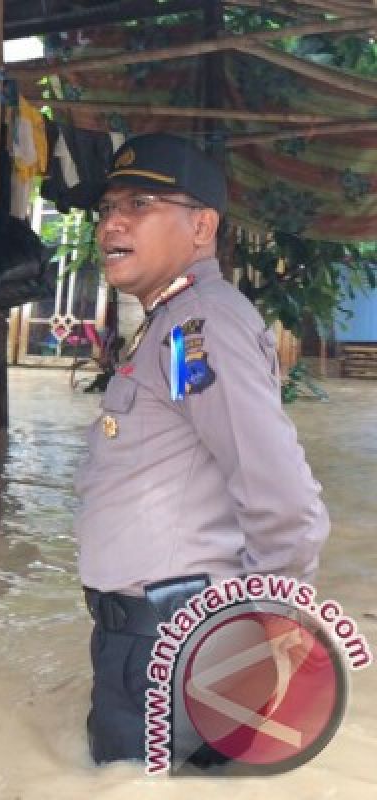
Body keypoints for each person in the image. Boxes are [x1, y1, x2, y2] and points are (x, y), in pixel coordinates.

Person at [74, 133, 329, 763]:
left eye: (139, 204)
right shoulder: (172, 326)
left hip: (169, 645)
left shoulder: (198, 329)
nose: (113, 223)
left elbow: (284, 499)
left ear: (202, 227)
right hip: (149, 642)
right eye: (108, 209)